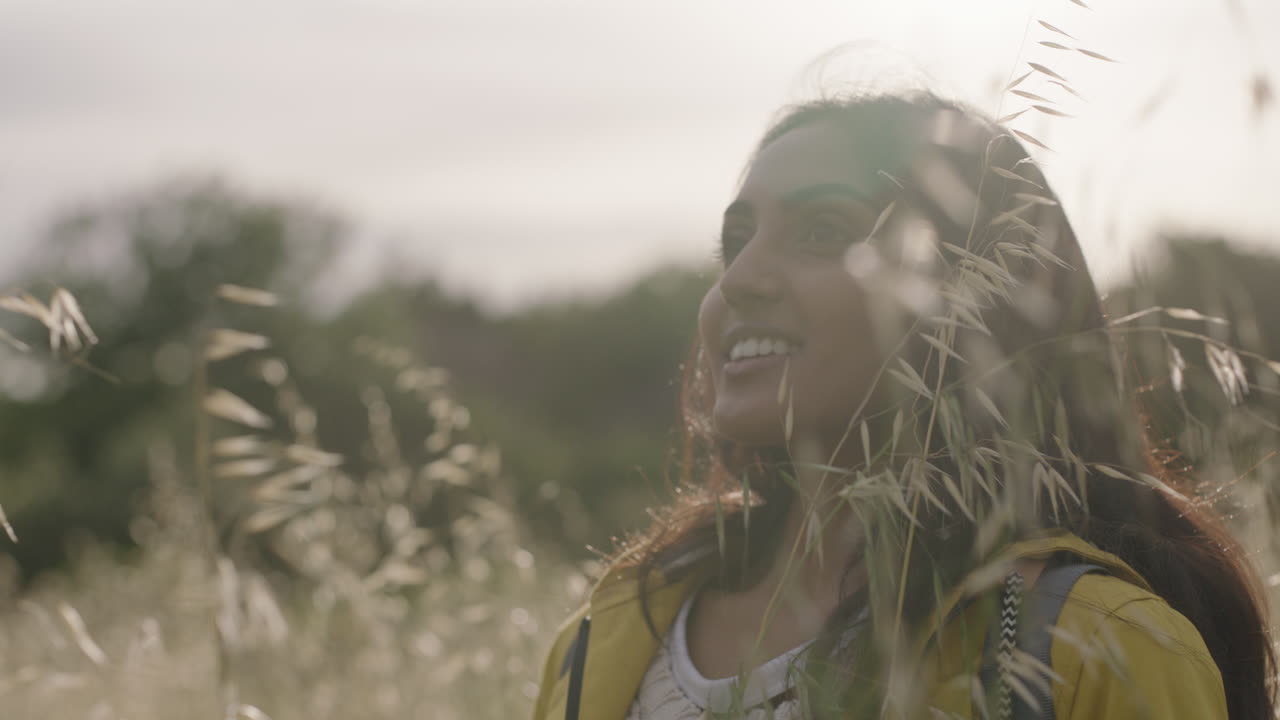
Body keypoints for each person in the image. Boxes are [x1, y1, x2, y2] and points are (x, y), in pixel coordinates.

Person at [531, 90, 1276, 719]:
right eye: (736, 241)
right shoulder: (603, 636)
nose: (738, 281)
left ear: (969, 302)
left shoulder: (1094, 646)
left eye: (824, 233)